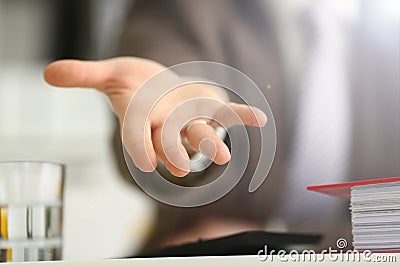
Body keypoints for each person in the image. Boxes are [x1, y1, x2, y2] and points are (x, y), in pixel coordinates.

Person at [44, 0, 400, 253]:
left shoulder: (387, 33)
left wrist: (275, 241)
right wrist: (188, 134)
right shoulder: (186, 8)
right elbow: (169, 79)